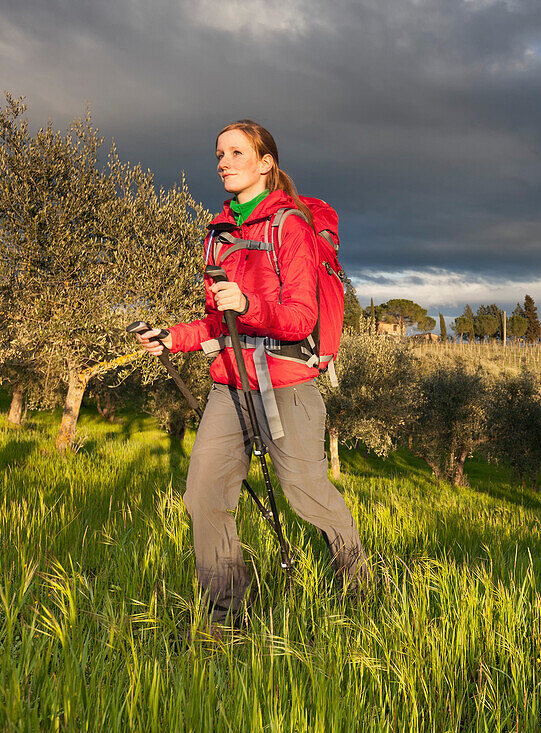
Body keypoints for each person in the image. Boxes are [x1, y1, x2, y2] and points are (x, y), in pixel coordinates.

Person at [136, 120, 369, 626]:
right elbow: (220, 320)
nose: (223, 161)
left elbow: (301, 316)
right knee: (203, 494)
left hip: (287, 383)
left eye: (236, 152)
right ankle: (224, 616)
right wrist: (172, 338)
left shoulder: (290, 226)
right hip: (231, 384)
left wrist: (249, 303)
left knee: (307, 493)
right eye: (218, 153)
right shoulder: (218, 234)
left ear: (265, 162)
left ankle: (359, 588)